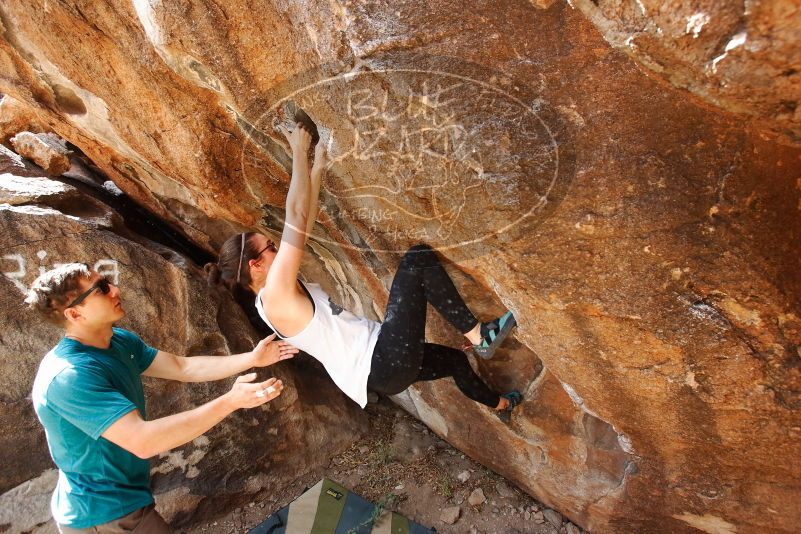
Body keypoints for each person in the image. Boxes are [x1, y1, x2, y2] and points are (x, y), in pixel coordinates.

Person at [206, 121, 520, 417]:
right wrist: (299, 150)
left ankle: (501, 404)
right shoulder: (274, 296)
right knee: (416, 261)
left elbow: (306, 218)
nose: (278, 246)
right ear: (255, 265)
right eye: (271, 247)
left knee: (454, 361)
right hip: (380, 361)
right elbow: (297, 216)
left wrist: (320, 160)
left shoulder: (271, 298)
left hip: (382, 370)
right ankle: (480, 336)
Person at [26, 264, 298, 533]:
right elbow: (143, 441)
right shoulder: (70, 376)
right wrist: (230, 401)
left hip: (123, 501)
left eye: (108, 281)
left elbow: (182, 368)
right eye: (101, 289)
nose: (116, 289)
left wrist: (253, 358)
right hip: (103, 514)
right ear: (75, 313)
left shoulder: (118, 341)